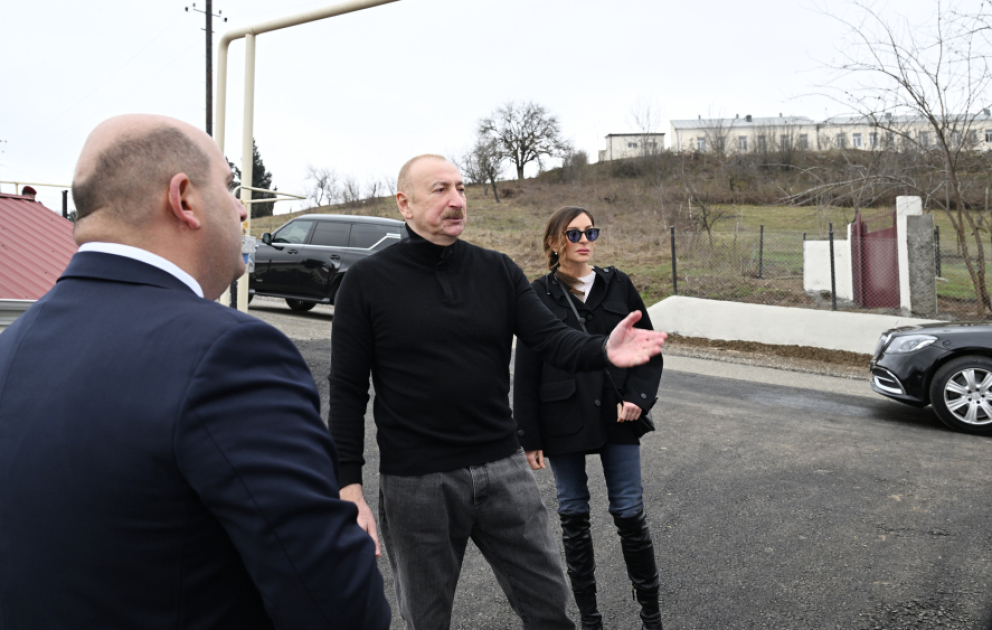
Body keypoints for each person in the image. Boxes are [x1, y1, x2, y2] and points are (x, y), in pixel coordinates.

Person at [0, 114, 390, 630]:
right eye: (229, 187)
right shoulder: (231, 353)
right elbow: (338, 605)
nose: (243, 208)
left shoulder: (14, 345)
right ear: (183, 199)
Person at [328, 155, 668, 630]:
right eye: (441, 189)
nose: (456, 200)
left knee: (549, 606)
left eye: (462, 188)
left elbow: (551, 340)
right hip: (417, 482)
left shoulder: (497, 271)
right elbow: (346, 390)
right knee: (426, 618)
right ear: (404, 203)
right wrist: (348, 485)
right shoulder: (366, 282)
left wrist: (602, 351)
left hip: (502, 469)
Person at [513, 206, 665, 630]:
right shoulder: (537, 295)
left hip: (619, 416)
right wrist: (528, 435)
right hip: (561, 418)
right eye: (574, 233)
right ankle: (590, 618)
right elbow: (526, 370)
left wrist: (639, 398)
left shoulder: (619, 286)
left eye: (590, 232)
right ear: (554, 241)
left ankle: (651, 616)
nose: (584, 240)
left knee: (630, 513)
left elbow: (648, 348)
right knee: (574, 516)